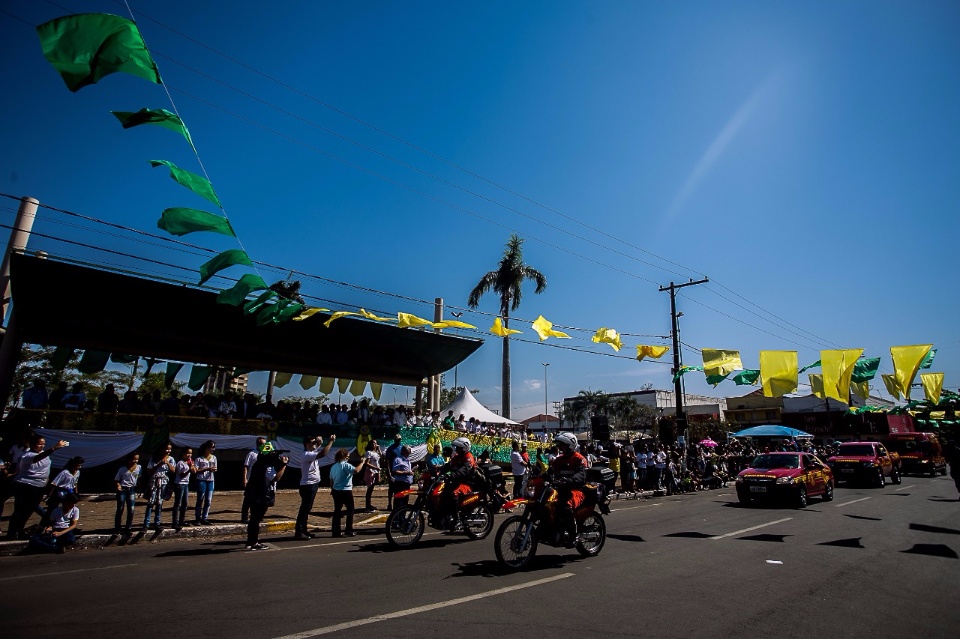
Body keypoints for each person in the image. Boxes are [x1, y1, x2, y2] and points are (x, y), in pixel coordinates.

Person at [6, 434, 69, 539]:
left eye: (43, 444)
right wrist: (54, 448)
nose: (42, 446)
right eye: (39, 444)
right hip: (26, 485)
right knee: (21, 509)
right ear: (33, 444)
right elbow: (37, 458)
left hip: (39, 486)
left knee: (30, 509)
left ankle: (20, 530)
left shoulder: (45, 454)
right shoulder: (27, 455)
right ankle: (12, 532)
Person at [243, 441, 288, 550]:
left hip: (254, 494)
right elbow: (276, 478)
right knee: (256, 519)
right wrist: (284, 465)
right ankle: (253, 542)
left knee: (254, 519)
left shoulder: (258, 464)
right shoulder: (267, 467)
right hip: (261, 496)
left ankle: (251, 541)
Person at [548, 432, 588, 546]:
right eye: (560, 444)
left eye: (563, 444)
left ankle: (573, 534)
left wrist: (570, 480)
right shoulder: (559, 459)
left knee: (565, 506)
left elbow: (581, 475)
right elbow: (550, 471)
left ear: (570, 446)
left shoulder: (579, 459)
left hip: (576, 490)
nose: (560, 447)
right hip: (560, 489)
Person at [296, 434, 336, 539]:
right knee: (304, 509)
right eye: (313, 443)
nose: (315, 444)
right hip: (308, 485)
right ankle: (299, 532)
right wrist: (331, 441)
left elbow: (317, 449)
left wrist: (319, 443)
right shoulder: (307, 454)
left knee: (307, 509)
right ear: (307, 444)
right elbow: (323, 453)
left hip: (312, 484)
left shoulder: (310, 452)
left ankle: (303, 531)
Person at [438, 437, 478, 526]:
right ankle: (445, 515)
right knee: (442, 493)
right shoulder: (457, 457)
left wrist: (451, 475)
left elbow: (463, 471)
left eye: (458, 447)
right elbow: (448, 466)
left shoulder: (468, 458)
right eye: (456, 447)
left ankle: (457, 518)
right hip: (456, 482)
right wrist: (438, 471)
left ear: (464, 448)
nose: (456, 449)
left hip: (467, 484)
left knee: (453, 494)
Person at [330, 448, 368, 537]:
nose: (348, 458)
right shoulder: (346, 465)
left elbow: (331, 480)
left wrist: (332, 489)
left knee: (337, 511)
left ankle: (336, 531)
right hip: (346, 490)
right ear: (343, 456)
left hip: (336, 490)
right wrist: (362, 462)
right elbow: (356, 470)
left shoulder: (334, 466)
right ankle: (348, 530)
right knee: (350, 510)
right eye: (347, 456)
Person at [142, 443, 175, 531]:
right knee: (151, 502)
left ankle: (157, 522)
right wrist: (159, 463)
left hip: (164, 481)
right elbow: (149, 470)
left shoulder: (171, 459)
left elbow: (173, 470)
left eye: (170, 449)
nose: (168, 451)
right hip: (154, 481)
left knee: (159, 502)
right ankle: (146, 524)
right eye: (167, 449)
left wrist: (167, 463)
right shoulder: (154, 458)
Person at [114, 452, 141, 535]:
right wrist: (118, 486)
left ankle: (128, 528)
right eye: (134, 459)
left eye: (137, 459)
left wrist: (139, 488)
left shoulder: (139, 467)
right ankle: (117, 528)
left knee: (131, 510)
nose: (135, 461)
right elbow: (116, 480)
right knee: (120, 508)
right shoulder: (122, 469)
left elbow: (139, 478)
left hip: (131, 490)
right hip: (123, 489)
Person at [241, 437, 267, 523]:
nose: (264, 445)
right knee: (248, 499)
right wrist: (245, 478)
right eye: (262, 444)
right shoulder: (252, 454)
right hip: (251, 479)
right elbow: (246, 466)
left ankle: (257, 515)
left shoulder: (265, 454)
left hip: (261, 480)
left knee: (259, 499)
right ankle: (244, 517)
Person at [193, 440, 217, 525]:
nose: (213, 449)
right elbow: (196, 470)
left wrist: (213, 470)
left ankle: (205, 517)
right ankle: (197, 517)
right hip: (201, 480)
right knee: (200, 499)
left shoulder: (213, 457)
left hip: (210, 480)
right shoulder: (199, 458)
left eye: (214, 447)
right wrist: (206, 469)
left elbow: (215, 468)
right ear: (206, 448)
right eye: (211, 447)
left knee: (208, 500)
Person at [171, 447, 195, 531]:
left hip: (186, 484)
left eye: (191, 453)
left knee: (185, 503)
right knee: (178, 503)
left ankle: (182, 520)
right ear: (183, 453)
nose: (189, 455)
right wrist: (189, 469)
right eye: (188, 453)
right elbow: (181, 475)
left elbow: (194, 471)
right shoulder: (180, 463)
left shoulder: (189, 462)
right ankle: (175, 522)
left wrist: (192, 466)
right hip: (179, 484)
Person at [390, 445, 415, 509]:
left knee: (405, 502)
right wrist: (407, 472)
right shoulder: (398, 459)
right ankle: (396, 517)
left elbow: (407, 470)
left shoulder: (407, 460)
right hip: (400, 484)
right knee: (399, 502)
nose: (409, 453)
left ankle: (402, 517)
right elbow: (395, 471)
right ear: (404, 451)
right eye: (408, 452)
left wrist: (411, 471)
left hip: (407, 484)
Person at [383, 433, 403, 510]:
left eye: (399, 440)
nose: (398, 441)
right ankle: (389, 504)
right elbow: (387, 461)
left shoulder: (402, 448)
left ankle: (398, 504)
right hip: (393, 470)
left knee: (399, 488)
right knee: (391, 488)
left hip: (400, 471)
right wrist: (388, 471)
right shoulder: (390, 449)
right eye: (397, 440)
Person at [362, 439, 381, 512]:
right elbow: (366, 463)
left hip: (375, 472)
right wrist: (375, 467)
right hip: (370, 472)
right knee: (369, 489)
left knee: (372, 489)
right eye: (373, 443)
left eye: (376, 443)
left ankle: (369, 504)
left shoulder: (376, 453)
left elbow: (382, 458)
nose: (374, 444)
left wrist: (379, 449)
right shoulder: (369, 453)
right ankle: (367, 506)